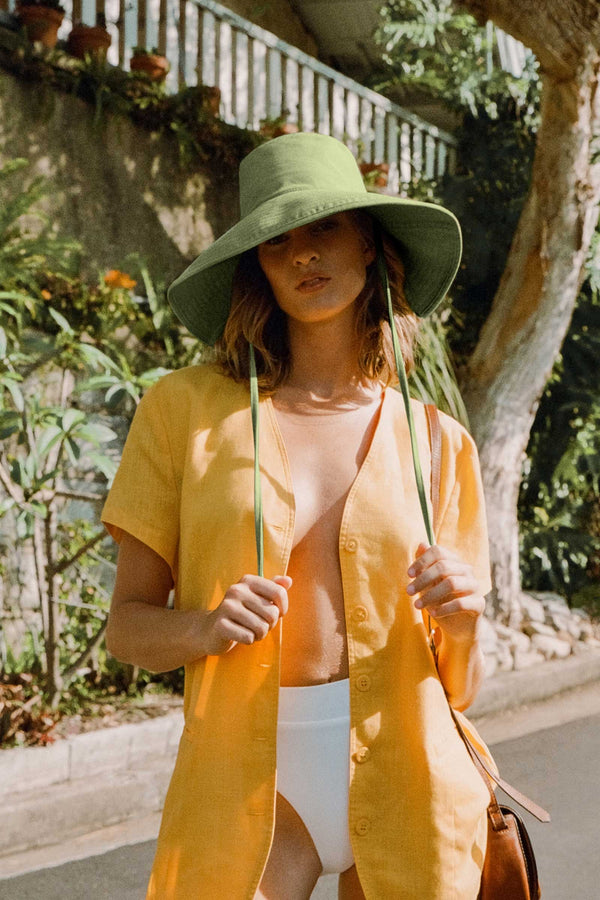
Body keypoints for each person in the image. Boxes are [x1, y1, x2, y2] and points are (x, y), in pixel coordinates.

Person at [102, 132, 492, 900]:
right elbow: (127, 629)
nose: (304, 256)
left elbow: (464, 684)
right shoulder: (185, 411)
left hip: (413, 769)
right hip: (248, 780)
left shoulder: (437, 442)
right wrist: (203, 626)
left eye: (325, 228)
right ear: (258, 267)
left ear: (373, 246)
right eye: (279, 242)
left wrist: (468, 620)